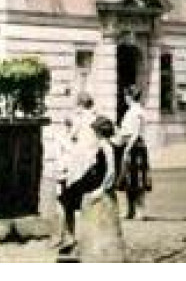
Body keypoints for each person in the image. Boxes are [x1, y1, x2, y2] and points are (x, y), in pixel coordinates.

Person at [56, 115, 116, 252]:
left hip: (95, 181)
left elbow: (111, 171)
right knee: (67, 194)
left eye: (95, 131)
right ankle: (69, 236)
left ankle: (70, 236)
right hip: (92, 177)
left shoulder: (107, 146)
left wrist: (102, 189)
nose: (94, 133)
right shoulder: (104, 145)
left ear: (99, 132)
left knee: (68, 197)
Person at [115, 87, 151, 219]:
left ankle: (140, 211)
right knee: (129, 180)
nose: (125, 98)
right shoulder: (132, 111)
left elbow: (135, 133)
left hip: (135, 147)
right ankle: (130, 210)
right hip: (130, 144)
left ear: (130, 96)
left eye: (126, 96)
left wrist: (127, 149)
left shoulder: (137, 111)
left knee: (137, 180)